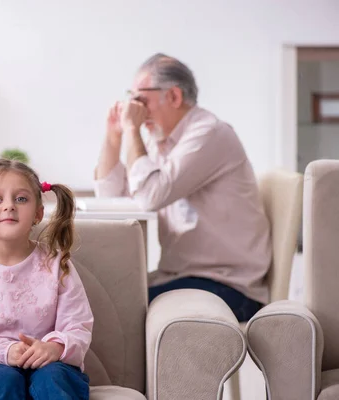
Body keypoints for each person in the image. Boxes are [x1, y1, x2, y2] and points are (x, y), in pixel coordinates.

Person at [95, 53, 271, 322]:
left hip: (229, 286)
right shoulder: (159, 141)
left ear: (174, 97)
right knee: (105, 295)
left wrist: (132, 130)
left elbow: (150, 197)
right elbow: (110, 198)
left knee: (115, 306)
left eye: (140, 98)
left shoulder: (209, 133)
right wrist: (114, 135)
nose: (134, 108)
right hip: (182, 275)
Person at [0, 159, 93, 400]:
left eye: (21, 199)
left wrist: (54, 347)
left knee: (52, 378)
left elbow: (78, 324)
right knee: (4, 380)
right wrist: (6, 352)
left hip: (53, 363)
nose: (9, 206)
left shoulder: (57, 264)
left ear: (38, 213)